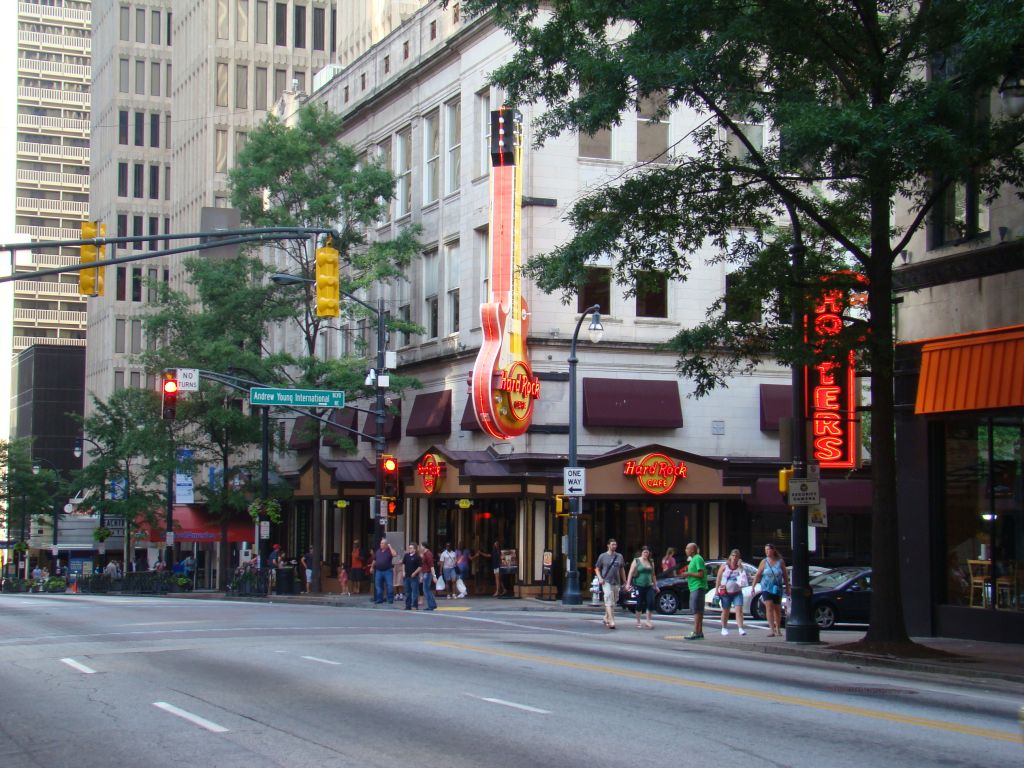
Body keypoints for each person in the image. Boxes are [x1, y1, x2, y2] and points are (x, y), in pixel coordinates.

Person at [751, 543, 790, 637]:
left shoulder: (780, 562)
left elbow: (785, 575)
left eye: (768, 549)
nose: (767, 552)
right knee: (769, 607)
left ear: (773, 550)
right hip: (766, 587)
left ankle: (778, 629)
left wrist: (788, 587)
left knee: (777, 608)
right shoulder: (764, 562)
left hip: (777, 588)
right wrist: (753, 586)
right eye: (766, 550)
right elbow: (758, 574)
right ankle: (772, 629)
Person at [594, 538, 626, 630]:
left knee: (614, 601)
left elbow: (622, 569)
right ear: (608, 545)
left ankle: (606, 616)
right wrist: (600, 578)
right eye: (612, 544)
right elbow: (597, 568)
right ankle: (611, 620)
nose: (614, 546)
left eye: (615, 544)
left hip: (616, 581)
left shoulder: (619, 556)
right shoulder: (603, 556)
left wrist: (625, 580)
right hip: (606, 581)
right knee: (608, 600)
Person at [714, 549, 748, 636]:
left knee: (739, 609)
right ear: (730, 556)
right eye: (733, 556)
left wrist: (740, 567)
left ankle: (740, 628)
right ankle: (724, 628)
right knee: (726, 610)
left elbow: (744, 579)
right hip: (725, 592)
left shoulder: (740, 567)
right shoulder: (724, 566)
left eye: (736, 556)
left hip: (737, 592)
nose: (734, 558)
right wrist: (716, 591)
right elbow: (718, 578)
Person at [625, 545, 659, 629]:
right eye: (644, 552)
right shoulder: (636, 561)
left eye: (647, 552)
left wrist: (655, 585)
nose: (646, 554)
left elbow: (653, 574)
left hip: (649, 585)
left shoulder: (651, 561)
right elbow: (630, 572)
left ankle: (648, 621)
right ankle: (638, 621)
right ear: (641, 552)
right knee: (639, 603)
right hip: (638, 584)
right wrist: (628, 584)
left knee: (651, 602)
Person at [683, 542, 707, 640]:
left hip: (697, 587)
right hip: (695, 587)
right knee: (699, 610)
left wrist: (688, 573)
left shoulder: (697, 558)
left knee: (696, 611)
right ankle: (699, 631)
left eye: (687, 548)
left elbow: (701, 574)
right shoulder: (694, 559)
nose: (686, 550)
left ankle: (696, 632)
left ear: (692, 549)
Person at [372, 537, 397, 604]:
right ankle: (380, 599)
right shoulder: (378, 551)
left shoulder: (389, 550)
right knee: (378, 585)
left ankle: (390, 599)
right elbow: (374, 559)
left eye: (382, 543)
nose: (381, 544)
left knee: (389, 585)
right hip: (378, 571)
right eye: (381, 543)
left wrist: (390, 546)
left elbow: (394, 554)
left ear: (386, 544)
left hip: (387, 571)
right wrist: (371, 567)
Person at [417, 542, 437, 610]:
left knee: (426, 590)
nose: (420, 547)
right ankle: (433, 604)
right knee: (427, 589)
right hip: (425, 573)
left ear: (424, 547)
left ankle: (431, 605)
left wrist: (434, 576)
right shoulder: (425, 554)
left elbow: (431, 566)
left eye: (421, 546)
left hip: (427, 573)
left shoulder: (428, 554)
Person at [401, 543, 421, 610]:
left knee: (414, 591)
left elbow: (420, 567)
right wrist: (403, 572)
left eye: (411, 548)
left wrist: (415, 573)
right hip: (407, 576)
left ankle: (414, 605)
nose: (410, 549)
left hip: (414, 577)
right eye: (409, 548)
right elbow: (403, 564)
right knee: (407, 591)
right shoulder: (406, 556)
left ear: (414, 549)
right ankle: (407, 605)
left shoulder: (417, 557)